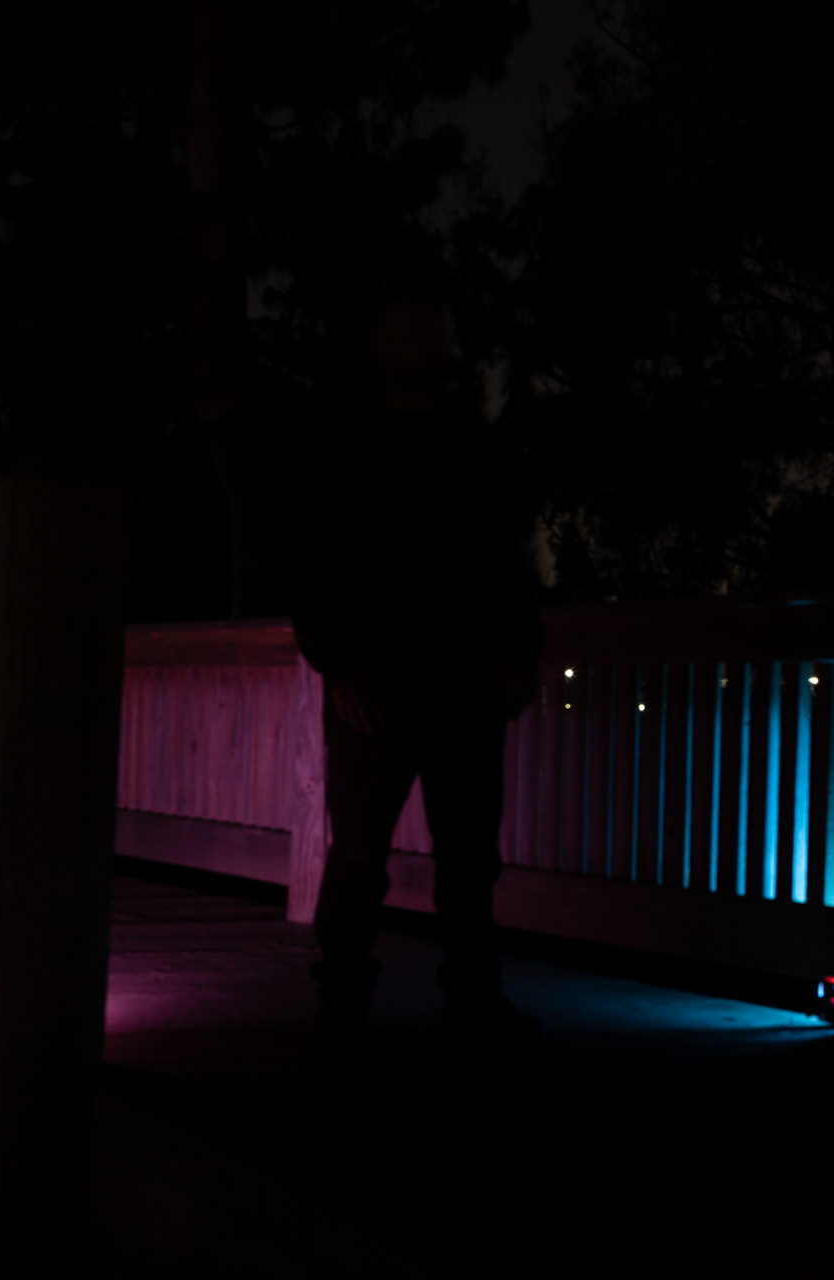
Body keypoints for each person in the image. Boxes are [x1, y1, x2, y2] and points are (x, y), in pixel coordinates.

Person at [287, 279, 545, 1048]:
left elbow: (509, 562)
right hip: (376, 683)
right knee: (360, 854)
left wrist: (518, 654)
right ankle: (342, 1001)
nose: (429, 342)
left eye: (436, 329)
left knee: (470, 857)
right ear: (380, 350)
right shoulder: (346, 448)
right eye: (410, 330)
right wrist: (341, 665)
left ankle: (472, 998)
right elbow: (312, 561)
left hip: (465, 680)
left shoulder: (479, 448)